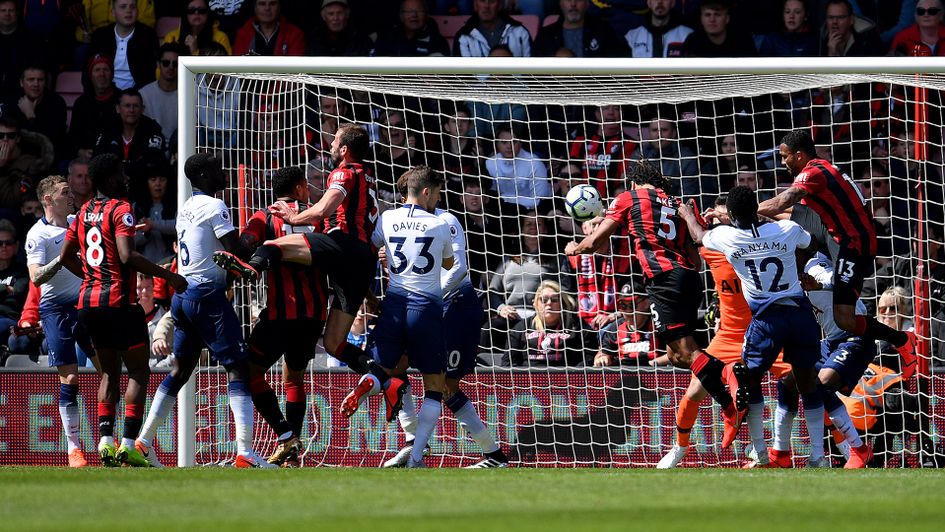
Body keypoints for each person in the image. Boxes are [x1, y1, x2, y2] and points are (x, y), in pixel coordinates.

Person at [213, 124, 407, 422]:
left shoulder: (343, 172)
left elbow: (321, 211)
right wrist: (369, 296)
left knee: (274, 245)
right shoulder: (369, 176)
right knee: (334, 345)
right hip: (358, 265)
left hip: (334, 255)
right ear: (301, 187)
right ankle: (384, 379)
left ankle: (252, 269)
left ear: (344, 149)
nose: (330, 144)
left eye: (334, 141)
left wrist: (292, 217)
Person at [565, 160, 747, 449]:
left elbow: (595, 243)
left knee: (687, 354)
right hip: (690, 278)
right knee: (676, 355)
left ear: (634, 183)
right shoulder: (678, 203)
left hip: (663, 280)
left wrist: (574, 248)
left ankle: (730, 402)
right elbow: (695, 250)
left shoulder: (628, 198)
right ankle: (730, 393)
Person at [134, 153, 274, 469]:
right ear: (205, 175)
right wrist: (259, 231)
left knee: (180, 370)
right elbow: (236, 251)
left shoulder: (186, 207)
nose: (223, 171)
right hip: (206, 295)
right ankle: (245, 453)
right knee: (239, 368)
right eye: (216, 168)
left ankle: (142, 442)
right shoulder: (214, 206)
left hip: (182, 297)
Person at [678, 185, 824, 467]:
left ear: (731, 215)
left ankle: (759, 451)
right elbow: (811, 243)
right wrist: (797, 263)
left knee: (746, 379)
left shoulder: (727, 237)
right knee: (807, 383)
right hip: (799, 313)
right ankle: (818, 456)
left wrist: (686, 214)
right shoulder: (786, 229)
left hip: (767, 320)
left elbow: (698, 236)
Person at [59, 153, 186, 467]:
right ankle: (128, 443)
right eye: (121, 174)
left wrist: (91, 277)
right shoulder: (122, 209)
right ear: (110, 178)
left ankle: (104, 442)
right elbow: (127, 256)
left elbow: (65, 257)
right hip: (119, 301)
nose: (126, 179)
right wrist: (169, 276)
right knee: (139, 371)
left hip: (88, 304)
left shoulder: (84, 211)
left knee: (109, 373)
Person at [756, 129, 918, 372]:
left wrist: (739, 212)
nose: (782, 162)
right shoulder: (822, 174)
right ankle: (901, 340)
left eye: (784, 156)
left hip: (852, 245)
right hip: (840, 242)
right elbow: (790, 213)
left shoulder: (814, 173)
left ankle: (900, 341)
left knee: (845, 319)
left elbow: (781, 203)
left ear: (799, 156)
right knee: (844, 319)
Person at [383, 170, 510, 468]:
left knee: (446, 386)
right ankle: (413, 441)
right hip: (425, 312)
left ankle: (493, 456)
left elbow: (458, 269)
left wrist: (429, 298)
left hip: (454, 309)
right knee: (395, 367)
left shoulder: (446, 220)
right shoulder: (401, 225)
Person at [345, 165, 455, 468]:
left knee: (384, 369)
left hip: (393, 306)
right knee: (435, 385)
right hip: (426, 309)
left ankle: (369, 382)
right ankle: (417, 454)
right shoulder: (439, 223)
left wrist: (387, 258)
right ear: (426, 192)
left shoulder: (387, 218)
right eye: (437, 193)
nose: (437, 199)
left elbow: (372, 251)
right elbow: (447, 263)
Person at [241, 166, 328, 467]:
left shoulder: (265, 216)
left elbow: (246, 240)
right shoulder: (319, 216)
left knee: (248, 372)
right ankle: (291, 456)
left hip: (280, 313)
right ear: (302, 188)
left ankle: (285, 435)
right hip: (314, 314)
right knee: (294, 377)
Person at [25, 175, 98, 467]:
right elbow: (35, 276)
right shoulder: (37, 235)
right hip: (55, 309)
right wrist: (62, 259)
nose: (71, 195)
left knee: (108, 371)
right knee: (69, 378)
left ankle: (111, 439)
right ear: (48, 199)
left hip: (84, 303)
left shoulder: (75, 220)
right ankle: (74, 449)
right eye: (65, 192)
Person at [508, 280, 597, 367]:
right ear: (535, 303)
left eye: (554, 300)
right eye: (544, 300)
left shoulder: (577, 326)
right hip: (530, 379)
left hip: (567, 379)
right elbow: (509, 362)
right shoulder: (522, 327)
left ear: (562, 303)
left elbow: (589, 358)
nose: (549, 303)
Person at [92, 89, 166, 175]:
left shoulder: (153, 130)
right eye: (127, 106)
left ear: (142, 109)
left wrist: (117, 167)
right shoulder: (107, 129)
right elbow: (97, 163)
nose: (131, 110)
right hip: (111, 186)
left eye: (136, 106)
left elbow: (152, 165)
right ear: (118, 108)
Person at [568, 105, 637, 198]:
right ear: (597, 114)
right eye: (605, 108)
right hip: (581, 200)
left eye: (616, 109)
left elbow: (624, 179)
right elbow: (570, 172)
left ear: (622, 114)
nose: (611, 112)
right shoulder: (580, 142)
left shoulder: (630, 144)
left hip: (611, 201)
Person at [2, 65, 68, 162]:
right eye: (31, 79)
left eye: (40, 80)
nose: (36, 84)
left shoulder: (57, 103)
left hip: (48, 159)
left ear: (45, 83)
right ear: (21, 82)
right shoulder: (10, 103)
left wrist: (31, 116)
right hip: (16, 157)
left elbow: (50, 142)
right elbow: (10, 137)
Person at [87, 0, 158, 90]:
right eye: (123, 7)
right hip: (106, 94)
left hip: (138, 95)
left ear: (137, 11)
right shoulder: (100, 36)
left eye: (132, 7)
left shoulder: (148, 35)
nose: (128, 10)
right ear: (113, 12)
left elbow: (150, 75)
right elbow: (88, 72)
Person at [485, 125, 551, 212]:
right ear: (497, 143)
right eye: (504, 142)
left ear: (521, 142)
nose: (509, 146)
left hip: (532, 212)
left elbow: (540, 201)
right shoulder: (490, 163)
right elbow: (490, 196)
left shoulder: (535, 164)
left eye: (514, 142)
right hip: (501, 211)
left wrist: (505, 199)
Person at [533, 0, 630, 57]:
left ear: (587, 3)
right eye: (568, 0)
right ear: (560, 3)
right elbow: (533, 77)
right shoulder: (546, 36)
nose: (573, 4)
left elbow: (616, 69)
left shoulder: (603, 31)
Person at [0, 116, 54, 215]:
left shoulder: (30, 165)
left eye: (11, 136)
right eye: (1, 135)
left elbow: (10, 201)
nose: (5, 139)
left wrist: (1, 168)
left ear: (18, 139)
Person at [68, 54, 119, 159]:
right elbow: (73, 135)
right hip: (85, 159)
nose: (102, 74)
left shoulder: (122, 100)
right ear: (90, 75)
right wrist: (80, 151)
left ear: (112, 74)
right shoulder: (81, 103)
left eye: (106, 69)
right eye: (97, 70)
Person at [594, 284, 657, 367]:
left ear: (646, 303)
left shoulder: (657, 325)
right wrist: (602, 358)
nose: (628, 311)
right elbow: (602, 354)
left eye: (632, 305)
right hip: (624, 376)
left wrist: (653, 364)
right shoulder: (616, 328)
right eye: (623, 305)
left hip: (654, 375)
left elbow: (676, 354)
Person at [371, 0, 451, 56]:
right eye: (409, 11)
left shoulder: (438, 42)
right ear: (401, 16)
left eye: (419, 11)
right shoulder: (388, 38)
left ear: (426, 15)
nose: (414, 15)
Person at [454, 0, 533, 57]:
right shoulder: (463, 37)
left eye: (492, 1)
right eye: (482, 1)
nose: (486, 6)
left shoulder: (520, 33)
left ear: (499, 5)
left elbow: (531, 72)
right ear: (475, 5)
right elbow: (462, 77)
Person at [681, 0, 758, 57]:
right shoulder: (693, 41)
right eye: (707, 15)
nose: (712, 20)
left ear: (727, 18)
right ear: (701, 19)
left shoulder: (743, 40)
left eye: (717, 15)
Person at [139, 43, 181, 142]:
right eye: (166, 63)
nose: (171, 67)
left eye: (175, 64)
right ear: (158, 64)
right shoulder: (144, 94)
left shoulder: (190, 94)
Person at [232, 0, 306, 56]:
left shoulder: (294, 34)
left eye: (272, 4)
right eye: (262, 4)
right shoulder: (243, 34)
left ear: (279, 7)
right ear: (255, 8)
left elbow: (295, 68)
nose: (267, 8)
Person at [625, 0, 693, 58]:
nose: (660, 1)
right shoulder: (632, 36)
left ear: (672, 3)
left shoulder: (688, 36)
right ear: (649, 3)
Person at [163, 0, 233, 56]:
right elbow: (162, 69)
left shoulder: (221, 37)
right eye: (191, 10)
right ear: (185, 14)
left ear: (208, 14)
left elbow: (225, 68)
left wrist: (195, 52)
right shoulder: (171, 36)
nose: (196, 13)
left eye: (201, 10)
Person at [0, 219, 29, 352]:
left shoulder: (23, 271)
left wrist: (10, 290)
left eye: (8, 243)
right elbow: (12, 290)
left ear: (16, 246)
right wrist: (6, 288)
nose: (4, 246)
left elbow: (19, 291)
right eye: (0, 243)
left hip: (10, 318)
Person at [306, 0, 371, 57]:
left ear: (347, 15)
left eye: (340, 13)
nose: (335, 18)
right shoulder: (315, 38)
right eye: (331, 14)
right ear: (324, 17)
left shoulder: (360, 39)